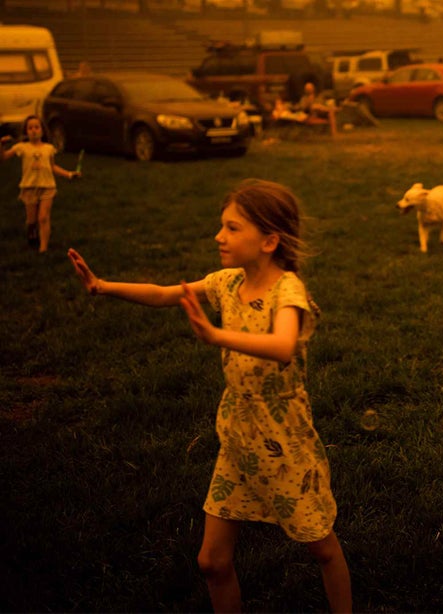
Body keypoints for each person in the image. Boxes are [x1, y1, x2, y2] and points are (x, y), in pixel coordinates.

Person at [67, 179, 352, 613]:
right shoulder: (225, 283)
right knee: (212, 562)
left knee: (321, 548)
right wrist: (103, 286)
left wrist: (218, 334)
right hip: (237, 439)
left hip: (284, 444)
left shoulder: (286, 290)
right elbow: (165, 294)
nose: (219, 236)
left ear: (269, 241)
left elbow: (283, 345)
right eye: (222, 226)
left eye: (233, 228)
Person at [1, 115, 80, 252]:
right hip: (29, 187)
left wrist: (69, 174)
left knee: (43, 217)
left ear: (42, 131)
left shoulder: (48, 148)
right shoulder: (21, 147)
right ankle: (32, 233)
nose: (33, 130)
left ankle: (43, 248)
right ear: (26, 132)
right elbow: (3, 158)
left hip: (47, 186)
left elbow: (53, 167)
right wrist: (1, 145)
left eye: (36, 127)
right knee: (31, 220)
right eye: (30, 128)